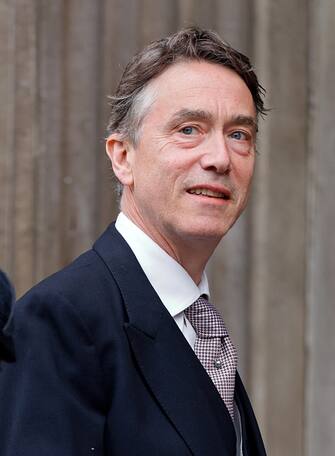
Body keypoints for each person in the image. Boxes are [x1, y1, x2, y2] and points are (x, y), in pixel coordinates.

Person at [0, 27, 267, 455]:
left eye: (239, 135)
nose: (219, 158)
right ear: (123, 156)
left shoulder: (202, 326)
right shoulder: (62, 320)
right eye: (188, 129)